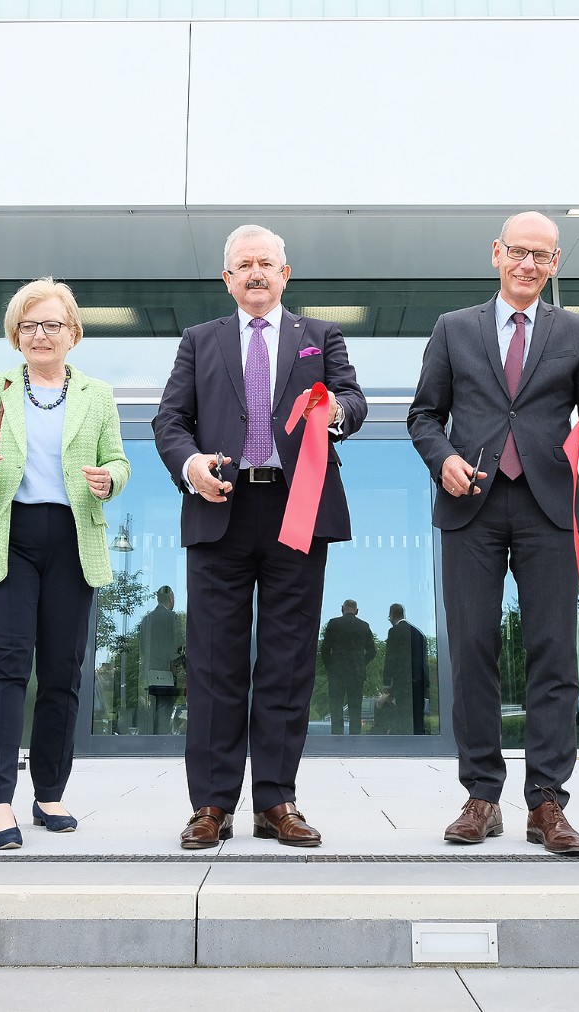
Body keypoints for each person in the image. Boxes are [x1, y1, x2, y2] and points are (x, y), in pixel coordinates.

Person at [408, 211, 579, 854]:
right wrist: (441, 456)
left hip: (547, 507)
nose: (530, 264)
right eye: (520, 252)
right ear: (497, 253)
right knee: (470, 649)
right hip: (469, 502)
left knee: (552, 652)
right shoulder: (453, 328)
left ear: (555, 264)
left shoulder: (577, 330)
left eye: (544, 255)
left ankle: (547, 803)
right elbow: (424, 415)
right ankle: (481, 796)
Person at [153, 224, 367, 849]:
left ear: (285, 274)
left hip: (297, 510)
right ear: (226, 278)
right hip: (220, 507)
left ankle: (276, 800)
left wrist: (338, 413)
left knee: (287, 659)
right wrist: (190, 465)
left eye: (266, 264)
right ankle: (212, 804)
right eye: (243, 264)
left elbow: (353, 399)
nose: (255, 273)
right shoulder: (199, 341)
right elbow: (171, 419)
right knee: (215, 662)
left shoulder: (319, 337)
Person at [0, 278, 130, 850]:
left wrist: (109, 480)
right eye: (30, 325)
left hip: (74, 540)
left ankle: (49, 792)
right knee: (5, 667)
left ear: (72, 334)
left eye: (53, 324)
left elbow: (118, 461)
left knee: (62, 671)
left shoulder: (97, 395)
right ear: (16, 335)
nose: (42, 334)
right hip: (12, 538)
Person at [320, 599, 377, 735]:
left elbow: (325, 649)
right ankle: (355, 739)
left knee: (336, 707)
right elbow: (372, 651)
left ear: (342, 609)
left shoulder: (334, 624)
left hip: (337, 672)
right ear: (357, 611)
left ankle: (337, 738)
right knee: (355, 709)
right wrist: (361, 663)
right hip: (356, 673)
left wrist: (330, 668)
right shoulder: (364, 626)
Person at [138, 585, 185, 735]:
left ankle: (152, 739)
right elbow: (179, 646)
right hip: (168, 672)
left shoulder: (146, 619)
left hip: (150, 672)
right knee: (165, 709)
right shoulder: (173, 618)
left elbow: (143, 648)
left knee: (152, 709)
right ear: (171, 599)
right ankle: (161, 741)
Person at [379, 603, 428, 735]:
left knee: (403, 715)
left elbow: (391, 658)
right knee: (418, 716)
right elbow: (424, 661)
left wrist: (387, 682)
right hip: (419, 681)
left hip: (402, 682)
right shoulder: (419, 633)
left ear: (392, 615)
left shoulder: (394, 631)